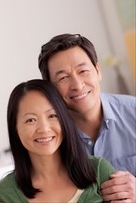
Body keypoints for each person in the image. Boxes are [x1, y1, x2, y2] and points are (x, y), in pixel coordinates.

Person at [38, 34, 136, 202]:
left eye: (83, 71)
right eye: (63, 78)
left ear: (98, 71)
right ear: (50, 88)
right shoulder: (46, 138)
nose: (77, 85)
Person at [0, 79, 115, 203]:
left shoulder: (99, 171)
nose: (44, 129)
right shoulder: (4, 194)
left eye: (52, 116)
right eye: (30, 120)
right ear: (15, 128)